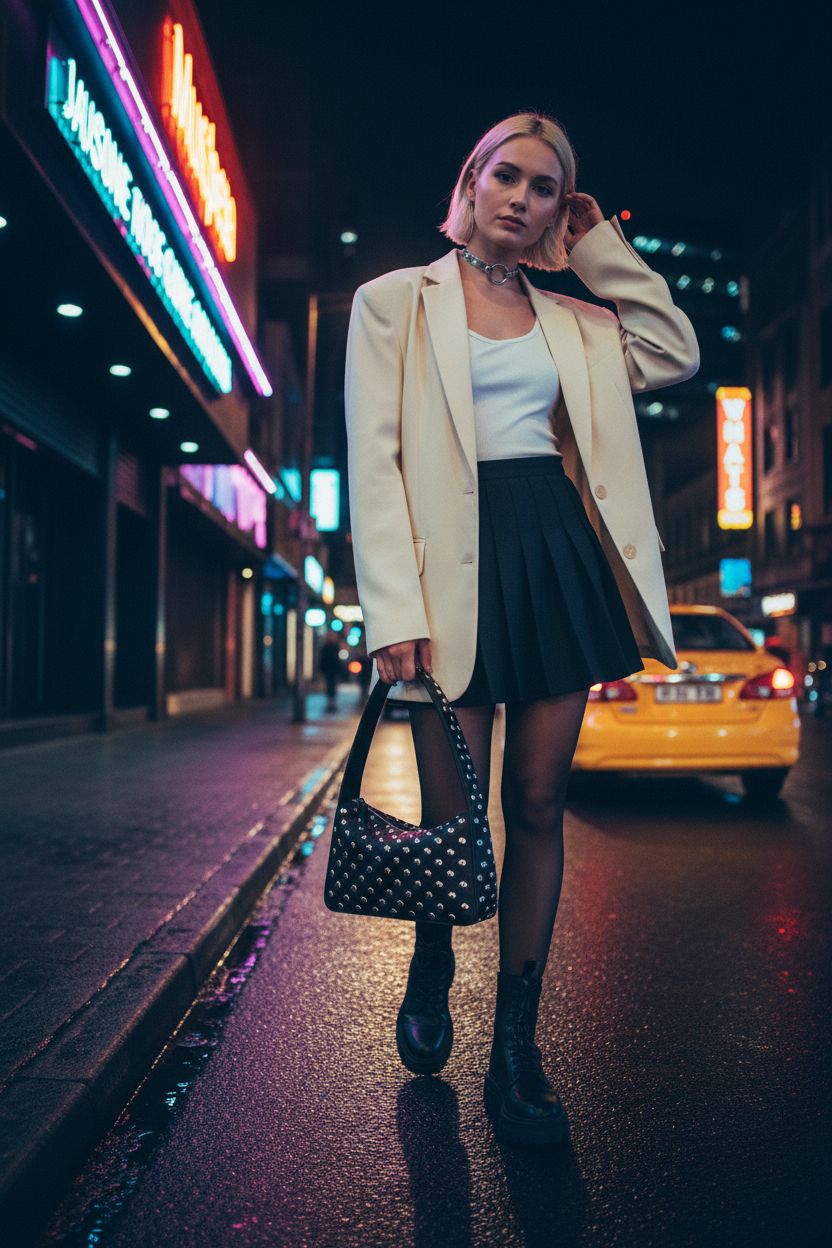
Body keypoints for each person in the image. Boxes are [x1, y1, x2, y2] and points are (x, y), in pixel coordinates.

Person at [343, 111, 699, 1148]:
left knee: (538, 802)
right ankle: (434, 951)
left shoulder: (577, 321)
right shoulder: (390, 303)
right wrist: (393, 616)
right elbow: (375, 463)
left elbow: (672, 352)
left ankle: (516, 1049)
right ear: (472, 176)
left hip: (553, 557)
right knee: (459, 819)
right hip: (448, 571)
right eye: (509, 175)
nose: (523, 198)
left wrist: (598, 250)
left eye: (546, 189)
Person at [318, 630, 343, 712]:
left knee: (332, 686)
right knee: (330, 686)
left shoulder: (333, 646)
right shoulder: (328, 646)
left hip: (332, 670)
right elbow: (323, 659)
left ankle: (331, 703)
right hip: (329, 670)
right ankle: (330, 703)